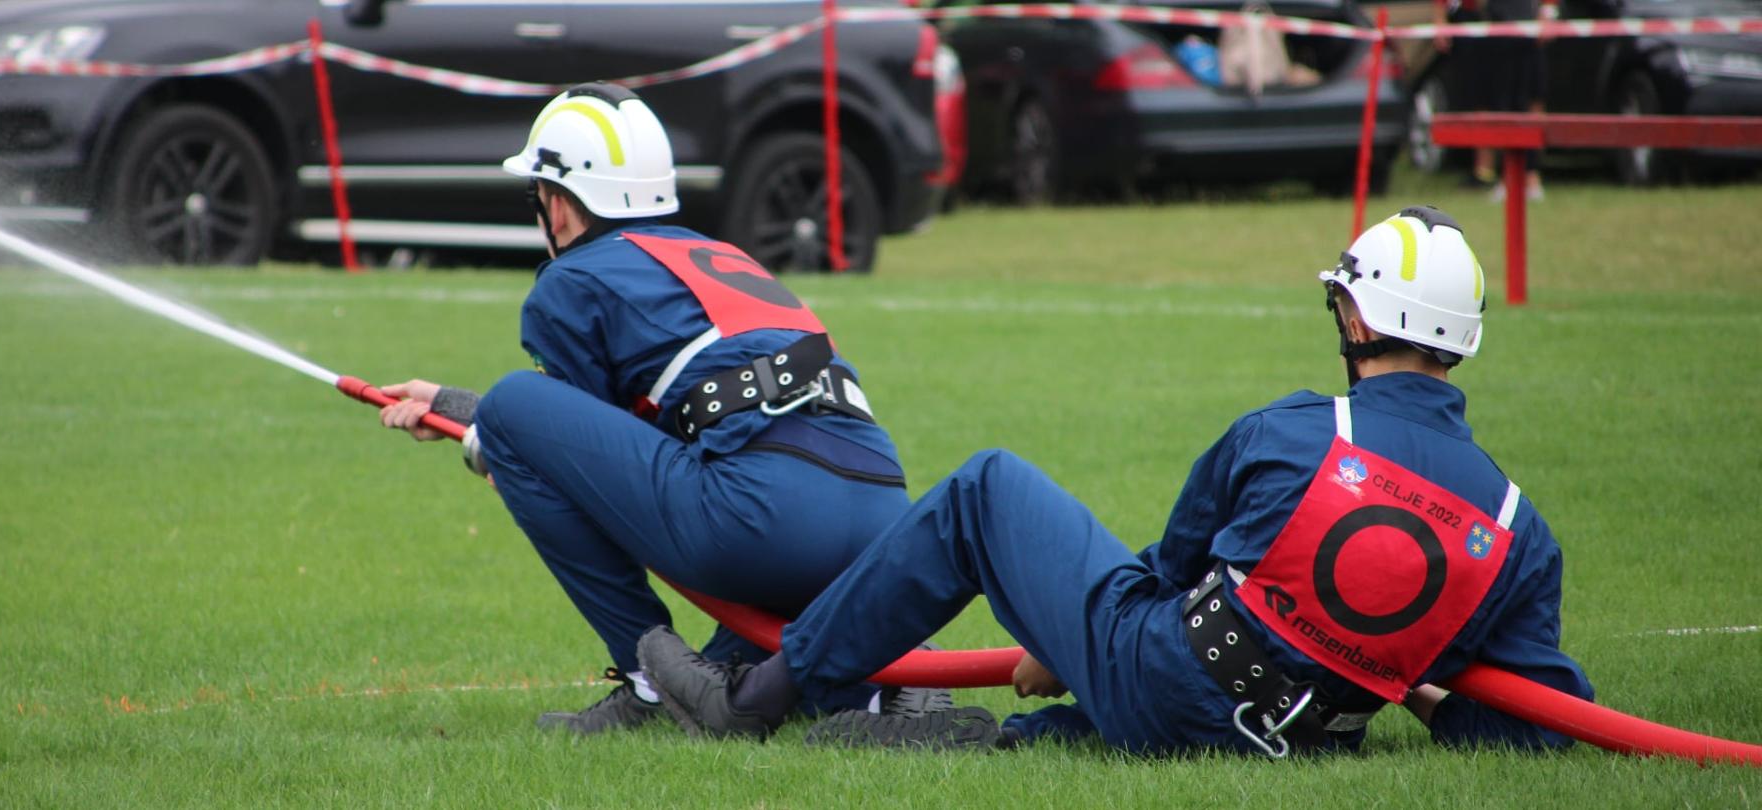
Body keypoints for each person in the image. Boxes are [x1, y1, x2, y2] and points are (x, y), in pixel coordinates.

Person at [640, 206, 1595, 756]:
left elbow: (1169, 575)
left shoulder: (1293, 433)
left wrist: (1065, 643)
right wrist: (1413, 684)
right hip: (1305, 737)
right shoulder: (1519, 531)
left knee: (986, 488)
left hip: (1171, 680)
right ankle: (1000, 732)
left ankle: (751, 702)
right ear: (1460, 344)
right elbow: (1541, 727)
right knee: (1106, 683)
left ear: (1353, 320)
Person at [375, 83, 926, 734]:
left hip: (766, 519)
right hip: (883, 519)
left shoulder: (572, 280)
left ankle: (647, 683)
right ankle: (874, 688)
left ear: (558, 205)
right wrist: (460, 410)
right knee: (737, 675)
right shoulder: (718, 254)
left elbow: (568, 462)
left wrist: (484, 429)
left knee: (515, 400)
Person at [1435, 0, 1551, 200]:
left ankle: (1529, 176)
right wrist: (1440, 17)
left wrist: (1547, 12)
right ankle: (1502, 176)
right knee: (1500, 107)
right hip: (1492, 31)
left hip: (1521, 29)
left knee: (1522, 106)